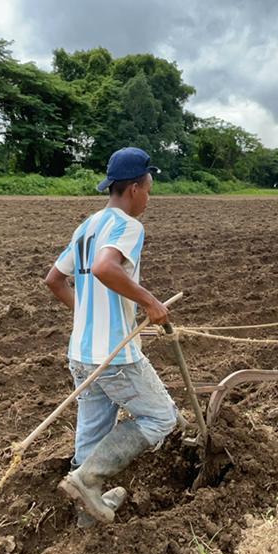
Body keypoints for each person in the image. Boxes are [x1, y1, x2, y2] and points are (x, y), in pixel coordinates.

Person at [44, 147, 178, 525]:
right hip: (115, 356)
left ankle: (87, 515)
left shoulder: (86, 226)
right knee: (160, 419)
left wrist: (86, 312)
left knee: (91, 432)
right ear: (134, 188)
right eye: (149, 189)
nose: (149, 198)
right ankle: (88, 479)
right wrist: (150, 302)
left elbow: (54, 280)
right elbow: (105, 267)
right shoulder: (128, 226)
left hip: (81, 352)